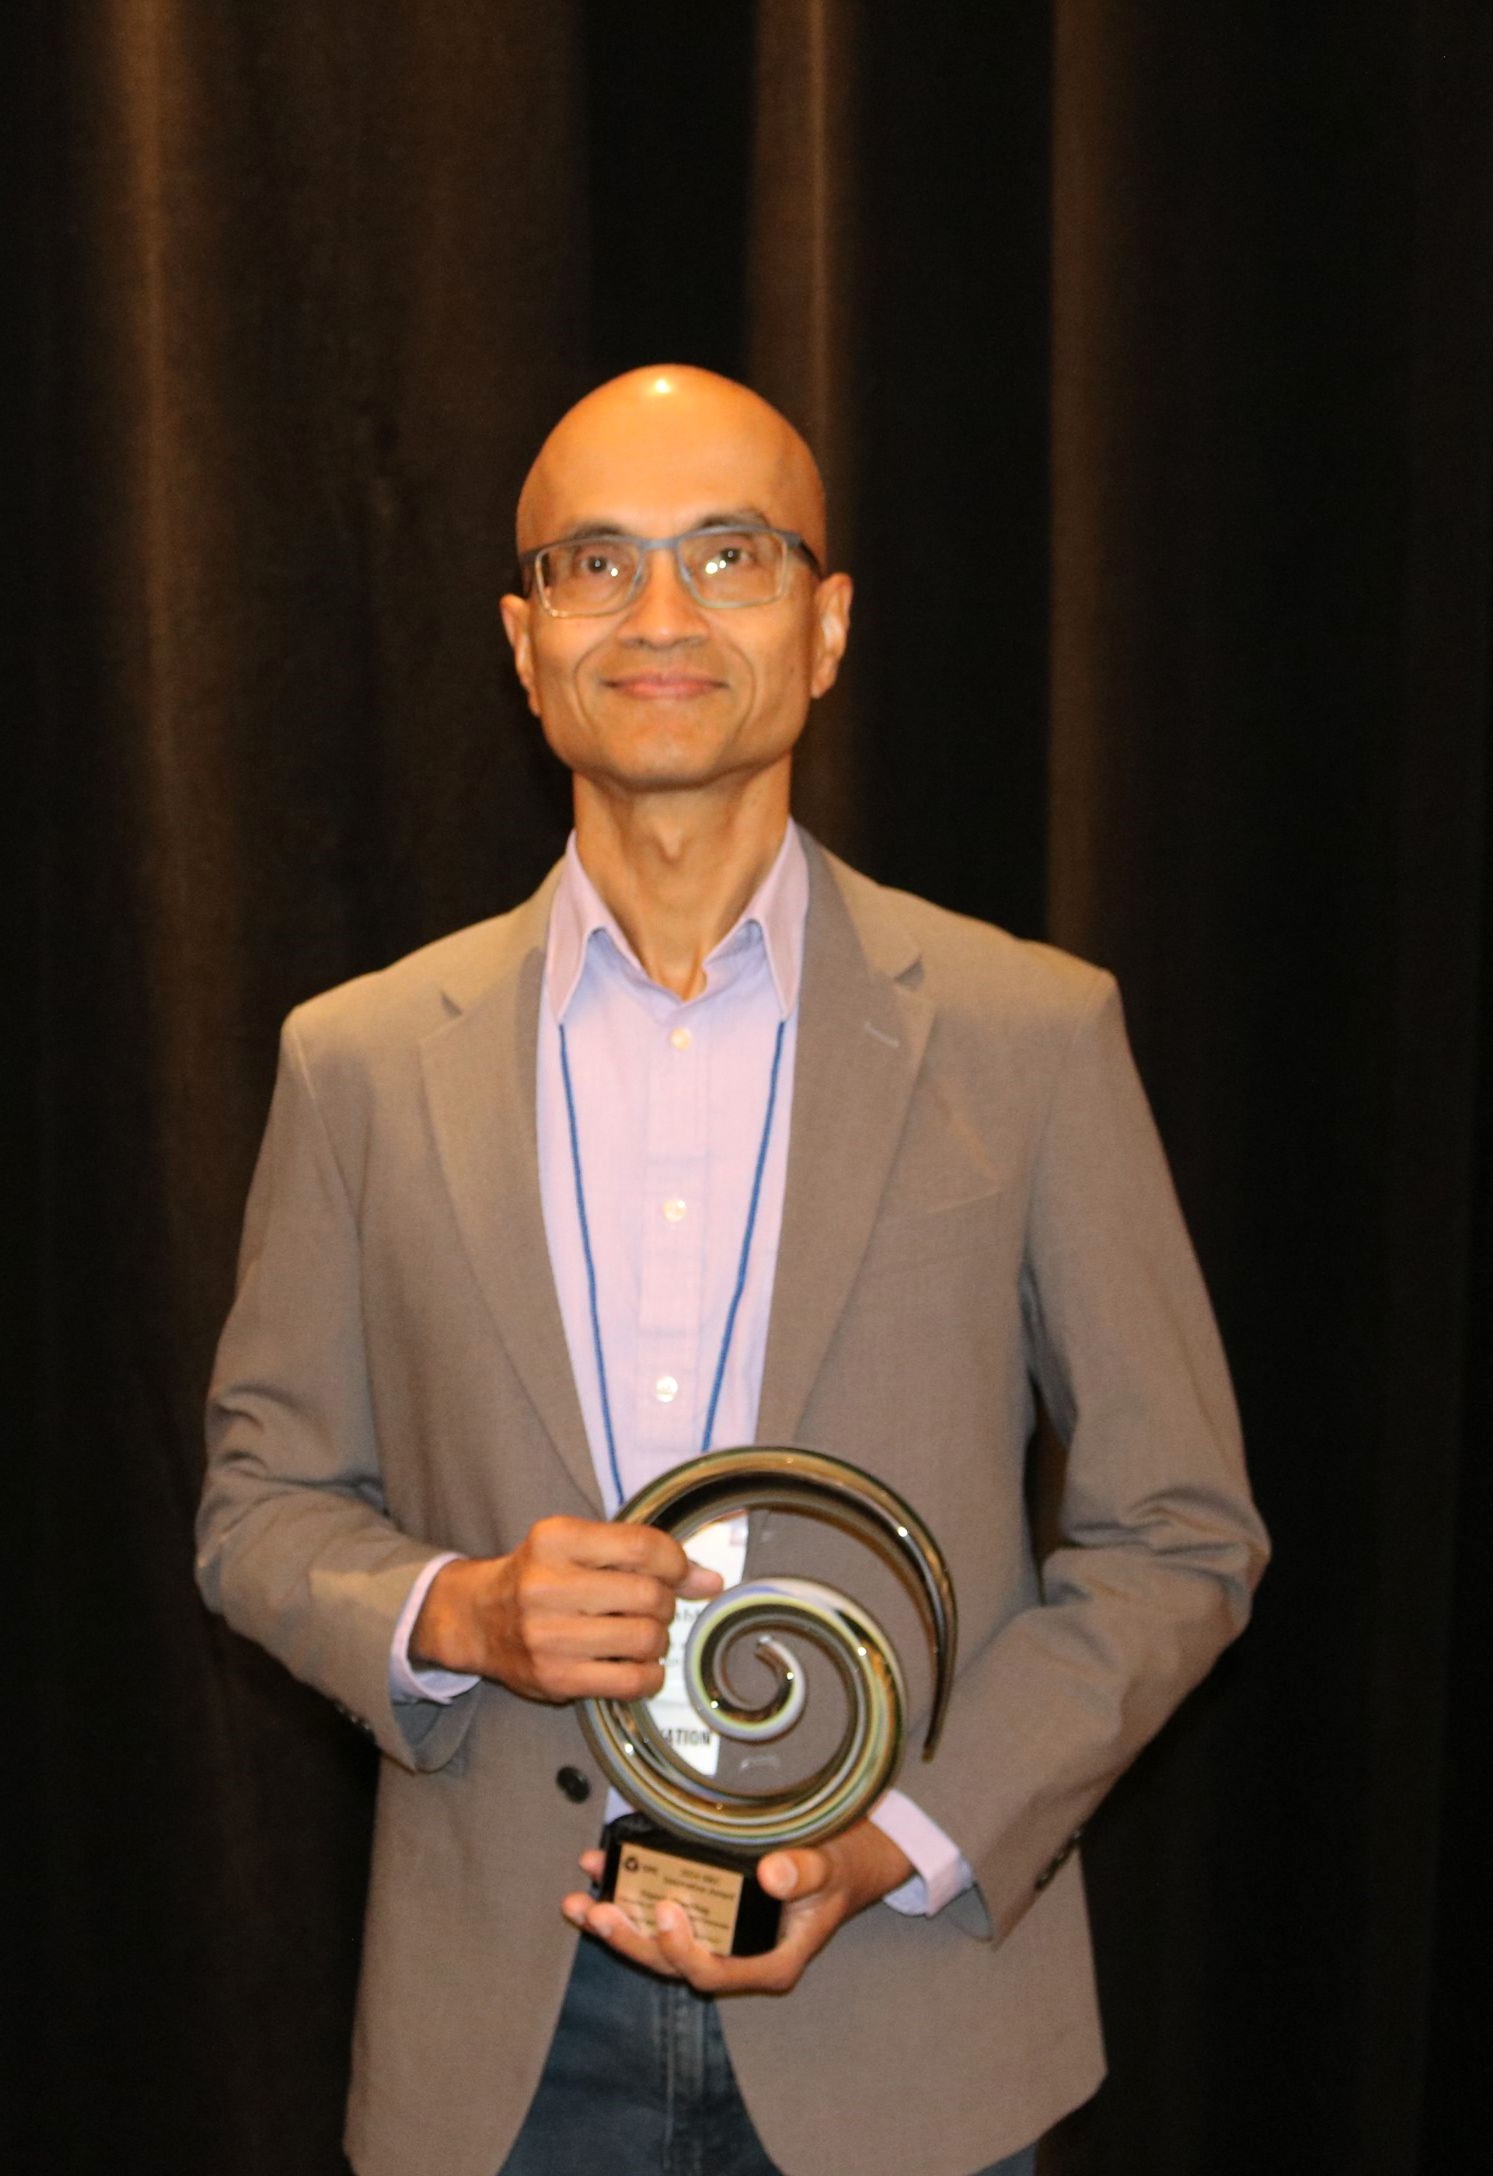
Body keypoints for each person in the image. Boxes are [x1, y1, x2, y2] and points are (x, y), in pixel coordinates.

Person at [196, 366, 1267, 2176]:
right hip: (504, 2041)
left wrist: (908, 1838)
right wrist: (461, 1613)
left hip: (911, 2012)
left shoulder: (1030, 1036)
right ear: (526, 645)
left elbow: (1182, 1533)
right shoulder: (360, 1062)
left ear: (825, 626)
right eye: (598, 562)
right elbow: (256, 1508)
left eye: (729, 554)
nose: (662, 614)